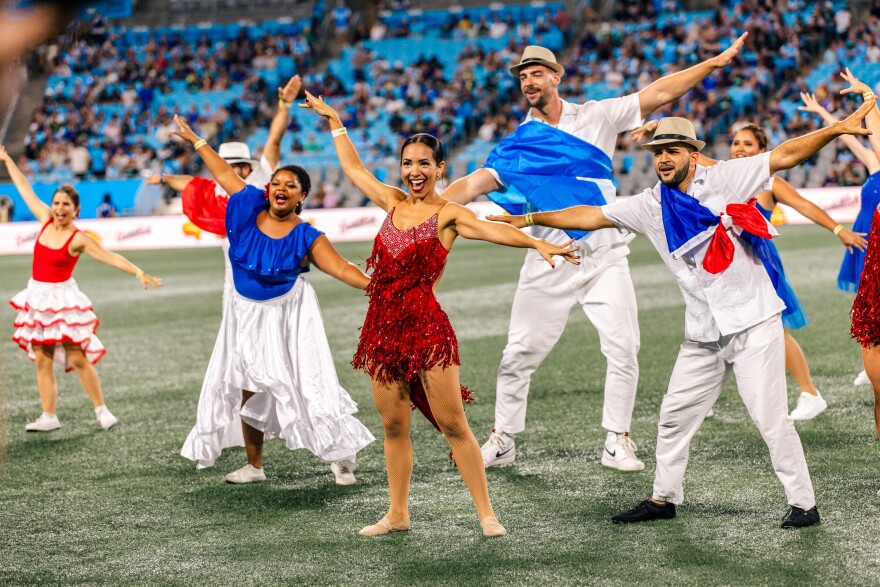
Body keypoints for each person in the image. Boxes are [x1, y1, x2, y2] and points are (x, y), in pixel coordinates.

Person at [487, 102, 875, 528]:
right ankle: (663, 498)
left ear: (693, 153)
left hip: (753, 323)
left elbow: (784, 155)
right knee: (673, 417)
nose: (664, 158)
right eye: (658, 152)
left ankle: (804, 504)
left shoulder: (727, 177)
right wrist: (528, 218)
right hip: (704, 333)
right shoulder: (651, 203)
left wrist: (837, 128)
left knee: (770, 419)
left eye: (673, 150)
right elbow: (592, 215)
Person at [442, 37, 748, 471]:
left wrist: (713, 63)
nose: (529, 81)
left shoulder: (597, 115)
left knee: (624, 347)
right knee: (518, 353)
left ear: (555, 76)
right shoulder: (519, 143)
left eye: (536, 73)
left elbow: (658, 93)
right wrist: (434, 209)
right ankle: (503, 437)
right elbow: (472, 185)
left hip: (605, 252)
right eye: (523, 76)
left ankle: (617, 439)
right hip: (549, 255)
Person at [301, 91, 578, 537]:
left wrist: (537, 242)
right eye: (408, 163)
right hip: (381, 328)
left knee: (453, 423)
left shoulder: (448, 213)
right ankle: (397, 514)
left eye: (424, 163)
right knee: (394, 425)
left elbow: (490, 231)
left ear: (439, 168)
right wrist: (335, 120)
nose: (415, 171)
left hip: (426, 327)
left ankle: (487, 513)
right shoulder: (391, 202)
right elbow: (353, 169)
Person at [173, 115, 375, 486]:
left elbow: (343, 268)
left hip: (290, 314)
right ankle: (255, 465)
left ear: (302, 196)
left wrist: (380, 287)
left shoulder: (307, 234)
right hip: (244, 313)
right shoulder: (248, 205)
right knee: (247, 386)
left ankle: (341, 457)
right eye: (276, 182)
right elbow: (223, 174)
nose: (281, 188)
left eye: (291, 185)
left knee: (311, 383)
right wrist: (198, 141)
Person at [631, 117, 869, 420]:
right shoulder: (721, 174)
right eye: (736, 143)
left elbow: (804, 205)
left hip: (759, 258)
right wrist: (659, 131)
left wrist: (838, 230)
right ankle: (707, 391)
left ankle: (808, 392)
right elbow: (687, 155)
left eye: (748, 144)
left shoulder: (768, 180)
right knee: (729, 328)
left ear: (762, 149)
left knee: (775, 329)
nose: (740, 149)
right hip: (728, 261)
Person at [2, 145, 162, 432]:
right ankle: (48, 415)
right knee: (42, 358)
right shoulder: (44, 220)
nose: (60, 208)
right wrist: (7, 160)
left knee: (77, 357)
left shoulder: (79, 238)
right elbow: (24, 187)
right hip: (38, 297)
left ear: (76, 210)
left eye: (66, 205)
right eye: (57, 203)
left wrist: (138, 271)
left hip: (62, 299)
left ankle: (102, 410)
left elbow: (109, 255)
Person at [798, 80, 880, 387]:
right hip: (864, 240)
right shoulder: (874, 164)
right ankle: (870, 357)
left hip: (877, 243)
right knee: (867, 305)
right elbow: (848, 137)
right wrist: (821, 110)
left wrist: (869, 98)